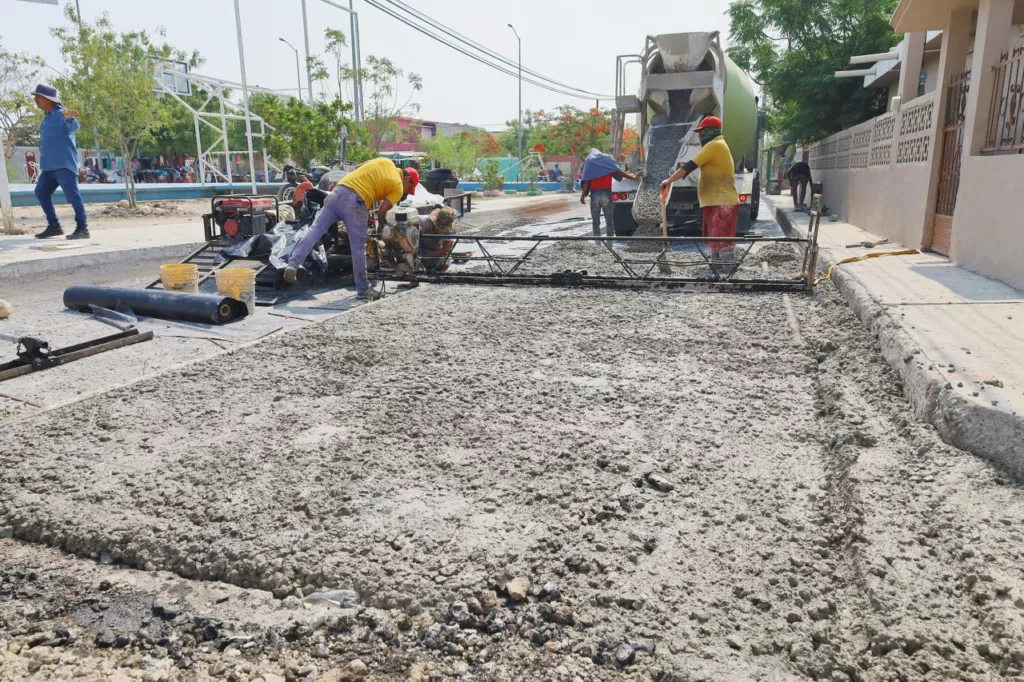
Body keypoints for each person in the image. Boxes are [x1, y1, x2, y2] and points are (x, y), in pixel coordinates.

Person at [284, 157, 416, 300]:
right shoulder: (398, 186)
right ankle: (363, 290)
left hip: (338, 191)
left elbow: (359, 166)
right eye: (410, 188)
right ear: (408, 179)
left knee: (314, 231)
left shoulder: (385, 161)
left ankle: (293, 264)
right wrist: (383, 232)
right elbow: (382, 211)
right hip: (356, 202)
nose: (406, 192)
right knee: (358, 249)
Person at [660, 115, 739, 266]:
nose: (700, 135)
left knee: (722, 239)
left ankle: (728, 272)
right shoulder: (718, 144)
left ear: (711, 131)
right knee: (715, 238)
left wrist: (669, 181)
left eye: (703, 132)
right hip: (716, 201)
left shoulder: (715, 145)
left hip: (722, 202)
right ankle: (716, 269)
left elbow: (690, 166)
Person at [31, 84, 88, 240]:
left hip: (64, 165)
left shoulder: (62, 114)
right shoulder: (47, 118)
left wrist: (70, 118)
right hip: (48, 167)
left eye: (38, 97)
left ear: (48, 99)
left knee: (73, 197)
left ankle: (83, 229)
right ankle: (54, 226)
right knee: (41, 192)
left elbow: (74, 127)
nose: (35, 99)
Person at [580, 149, 643, 239]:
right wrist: (634, 177)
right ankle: (610, 241)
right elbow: (620, 173)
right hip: (606, 193)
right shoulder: (608, 160)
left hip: (595, 194)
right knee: (609, 219)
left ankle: (597, 242)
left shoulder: (590, 162)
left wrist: (583, 195)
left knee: (595, 220)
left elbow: (587, 180)